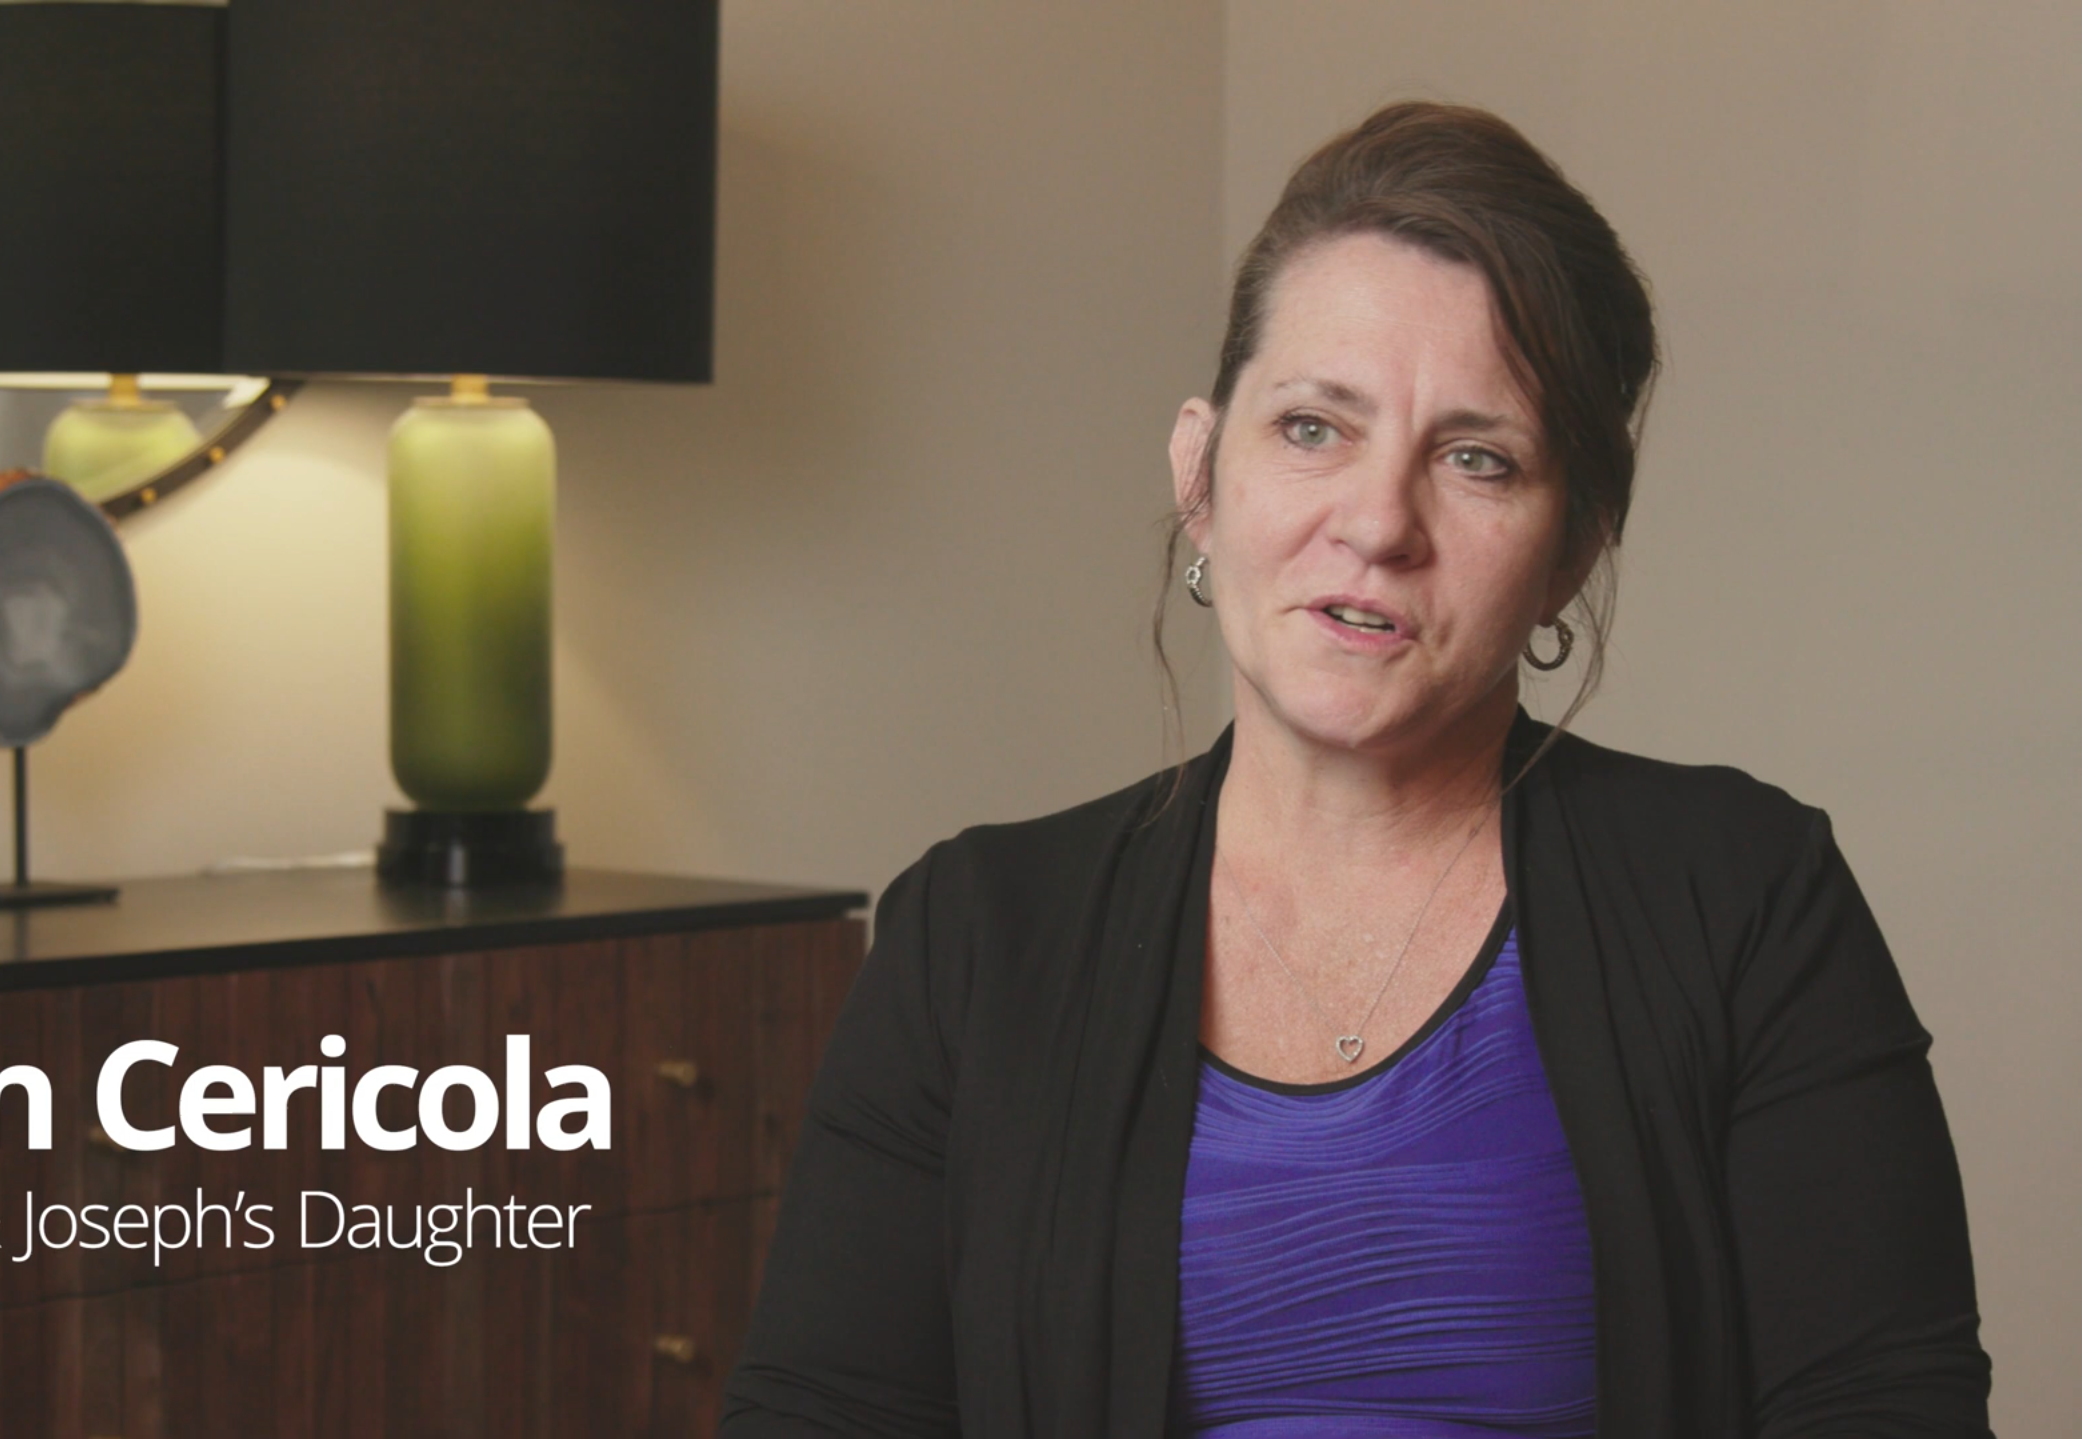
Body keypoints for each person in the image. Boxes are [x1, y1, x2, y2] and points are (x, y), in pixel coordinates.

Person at [718, 101, 1991, 1437]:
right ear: (1200, 472)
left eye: (1477, 458)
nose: (1380, 523)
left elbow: (1882, 1407)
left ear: (1571, 549)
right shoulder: (972, 936)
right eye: (1314, 427)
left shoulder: (1746, 897)